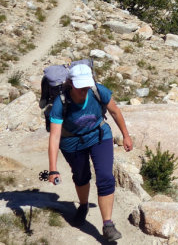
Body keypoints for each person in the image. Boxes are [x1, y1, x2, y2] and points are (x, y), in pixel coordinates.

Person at [47, 63, 133, 242]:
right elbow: (55, 137)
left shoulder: (98, 91)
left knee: (105, 177)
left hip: (99, 135)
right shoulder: (60, 102)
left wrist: (126, 135)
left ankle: (107, 225)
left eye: (86, 86)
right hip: (71, 142)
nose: (84, 90)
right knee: (81, 176)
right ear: (70, 84)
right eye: (80, 87)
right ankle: (83, 206)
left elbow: (115, 111)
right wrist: (53, 169)